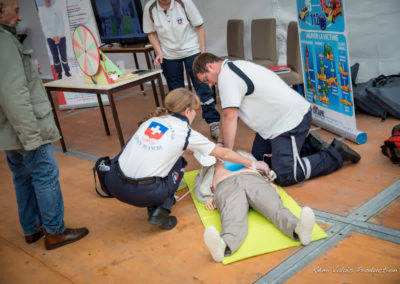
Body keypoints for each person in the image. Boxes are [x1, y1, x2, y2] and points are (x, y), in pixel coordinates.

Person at [97, 88, 269, 230]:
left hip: (114, 183)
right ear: (188, 111)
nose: (195, 115)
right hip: (143, 194)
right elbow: (223, 154)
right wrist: (252, 163)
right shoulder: (185, 132)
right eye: (195, 112)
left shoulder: (150, 121)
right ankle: (161, 209)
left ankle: (152, 196)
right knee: (180, 161)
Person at [193, 52, 361, 187]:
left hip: (289, 122)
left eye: (206, 80)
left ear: (210, 66)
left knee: (285, 174)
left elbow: (230, 116)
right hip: (272, 125)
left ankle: (335, 153)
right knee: (261, 161)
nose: (209, 85)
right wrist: (221, 144)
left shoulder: (226, 77)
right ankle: (309, 146)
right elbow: (227, 114)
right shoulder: (232, 67)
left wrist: (226, 154)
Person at [0, 0, 88, 250]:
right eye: (15, 12)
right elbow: (13, 94)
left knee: (22, 177)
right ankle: (54, 231)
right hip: (25, 131)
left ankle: (32, 229)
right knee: (45, 174)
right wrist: (31, 138)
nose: (19, 18)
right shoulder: (5, 43)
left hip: (9, 131)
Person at [195, 158, 315, 262]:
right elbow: (200, 187)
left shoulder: (243, 156)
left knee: (274, 207)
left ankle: (298, 229)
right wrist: (210, 197)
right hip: (226, 186)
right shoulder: (207, 167)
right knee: (233, 216)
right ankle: (223, 245)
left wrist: (269, 181)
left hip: (253, 180)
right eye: (215, 154)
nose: (218, 157)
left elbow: (263, 167)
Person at [142, 0, 220, 139]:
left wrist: (202, 53)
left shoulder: (184, 3)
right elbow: (151, 33)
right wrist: (159, 52)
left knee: (202, 88)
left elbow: (199, 27)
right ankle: (181, 126)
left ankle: (214, 122)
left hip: (192, 50)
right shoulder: (150, 8)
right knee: (176, 92)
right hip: (169, 54)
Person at [38, 0, 71, 80]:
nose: (47, 1)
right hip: (50, 38)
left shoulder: (57, 8)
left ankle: (66, 71)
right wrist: (53, 37)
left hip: (61, 36)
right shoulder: (41, 11)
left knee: (63, 55)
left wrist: (58, 36)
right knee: (55, 56)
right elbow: (44, 26)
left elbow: (61, 23)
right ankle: (59, 72)